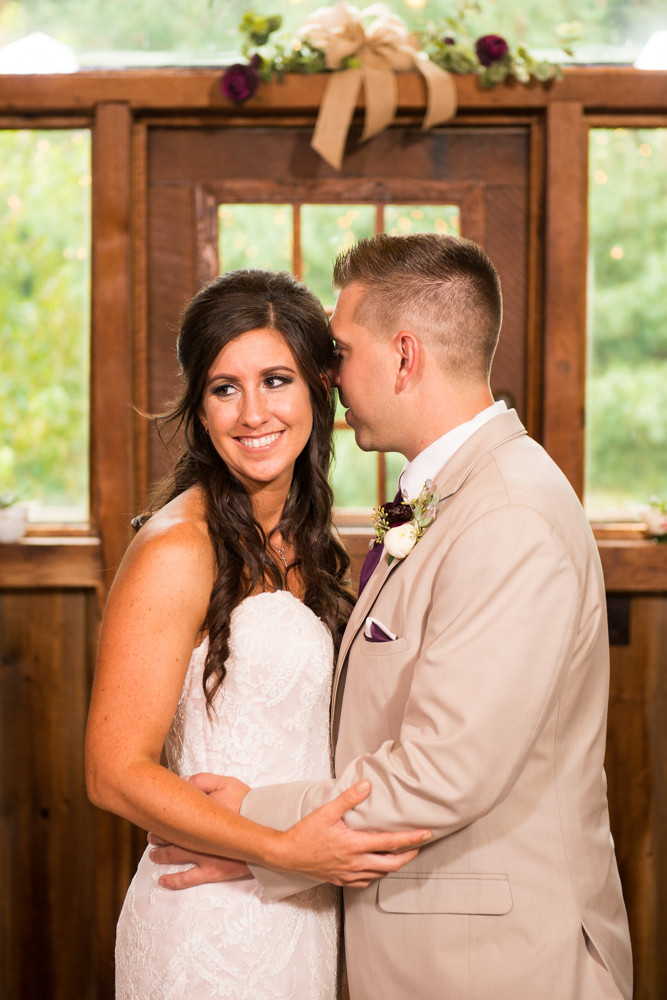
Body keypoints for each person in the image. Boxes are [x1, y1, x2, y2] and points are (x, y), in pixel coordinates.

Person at [150, 234, 633, 1000]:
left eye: (338, 351)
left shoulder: (506, 515)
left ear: (403, 357)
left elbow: (443, 770)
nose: (329, 377)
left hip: (491, 960)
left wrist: (256, 820)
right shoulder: (446, 493)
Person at [84, 268, 430, 1000]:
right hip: (208, 920)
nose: (252, 413)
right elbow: (114, 771)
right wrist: (282, 849)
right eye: (223, 387)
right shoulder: (178, 548)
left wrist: (292, 859)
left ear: (318, 390)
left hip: (298, 908)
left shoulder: (313, 540)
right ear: (199, 409)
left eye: (275, 380)